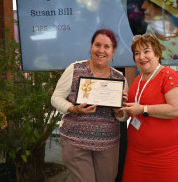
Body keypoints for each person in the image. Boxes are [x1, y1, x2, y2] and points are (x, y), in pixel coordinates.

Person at [51, 29, 129, 182]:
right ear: (91, 47)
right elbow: (55, 98)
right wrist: (73, 108)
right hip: (76, 142)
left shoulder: (119, 78)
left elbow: (124, 116)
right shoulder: (75, 69)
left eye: (107, 47)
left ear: (113, 51)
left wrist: (118, 111)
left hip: (108, 144)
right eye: (97, 45)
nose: (101, 50)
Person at [120, 33, 178, 182]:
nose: (141, 57)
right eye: (137, 53)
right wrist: (119, 110)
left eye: (146, 51)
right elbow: (132, 112)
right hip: (136, 154)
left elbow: (176, 109)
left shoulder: (169, 75)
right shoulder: (137, 79)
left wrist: (143, 109)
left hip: (166, 155)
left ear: (157, 53)